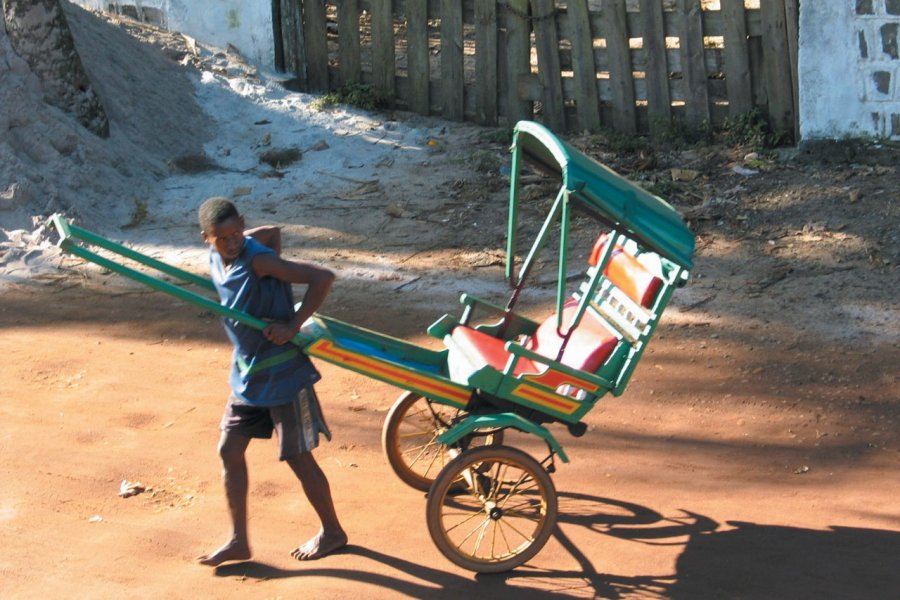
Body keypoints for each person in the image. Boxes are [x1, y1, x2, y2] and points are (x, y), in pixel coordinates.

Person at [195, 196, 347, 566]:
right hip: (249, 375)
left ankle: (332, 531)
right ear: (207, 239)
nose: (232, 243)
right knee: (229, 451)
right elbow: (272, 231)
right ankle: (238, 541)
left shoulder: (259, 260)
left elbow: (322, 277)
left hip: (282, 372)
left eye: (236, 234)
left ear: (242, 224)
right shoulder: (218, 258)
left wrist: (291, 324)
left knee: (297, 456)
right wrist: (263, 240)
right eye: (223, 237)